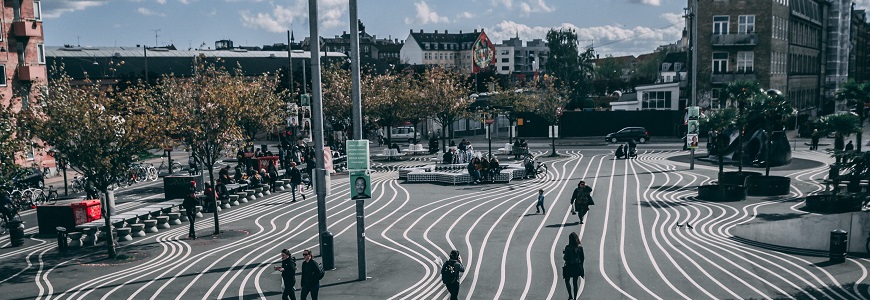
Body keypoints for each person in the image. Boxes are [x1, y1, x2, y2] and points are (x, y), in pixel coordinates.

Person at [562, 232, 585, 300]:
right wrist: (581, 266)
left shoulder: (568, 247)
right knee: (575, 282)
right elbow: (582, 258)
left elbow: (565, 258)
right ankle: (575, 298)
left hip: (569, 266)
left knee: (567, 281)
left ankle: (570, 295)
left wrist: (565, 254)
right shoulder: (580, 248)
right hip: (576, 267)